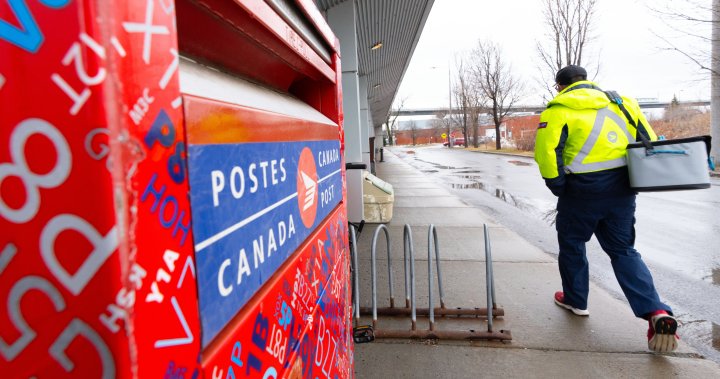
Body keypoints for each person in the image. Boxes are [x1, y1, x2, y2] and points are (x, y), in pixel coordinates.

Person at [534, 65, 680, 353]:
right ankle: (655, 312)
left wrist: (559, 187)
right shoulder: (623, 103)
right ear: (588, 81)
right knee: (623, 251)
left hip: (581, 192)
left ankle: (576, 301)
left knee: (573, 244)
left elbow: (546, 154)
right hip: (622, 192)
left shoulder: (558, 108)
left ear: (560, 86)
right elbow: (647, 140)